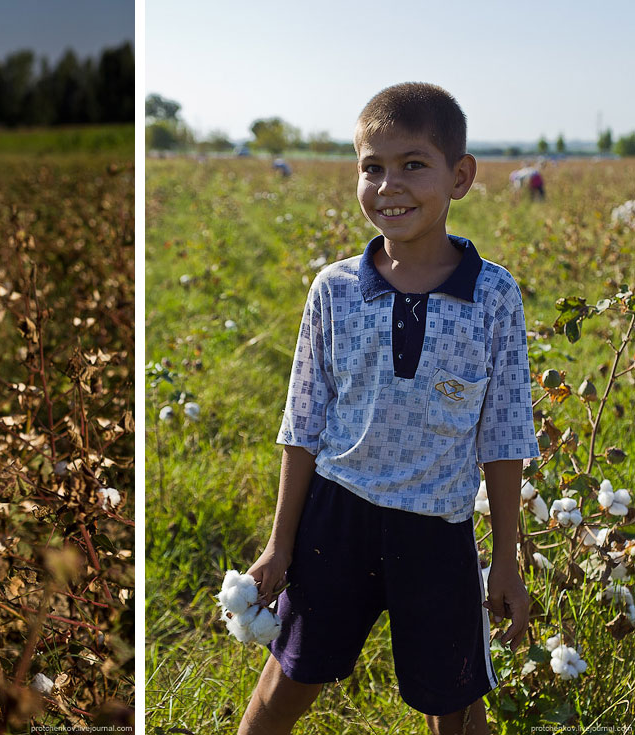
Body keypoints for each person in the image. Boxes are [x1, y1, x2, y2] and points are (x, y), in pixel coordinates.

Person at [239, 82, 539, 735]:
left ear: (460, 177)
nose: (388, 185)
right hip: (335, 518)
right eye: (371, 167)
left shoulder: (493, 296)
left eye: (412, 164)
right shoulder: (334, 290)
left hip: (437, 528)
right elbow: (302, 425)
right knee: (286, 682)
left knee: (456, 709)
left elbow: (505, 433)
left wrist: (508, 561)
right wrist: (279, 543)